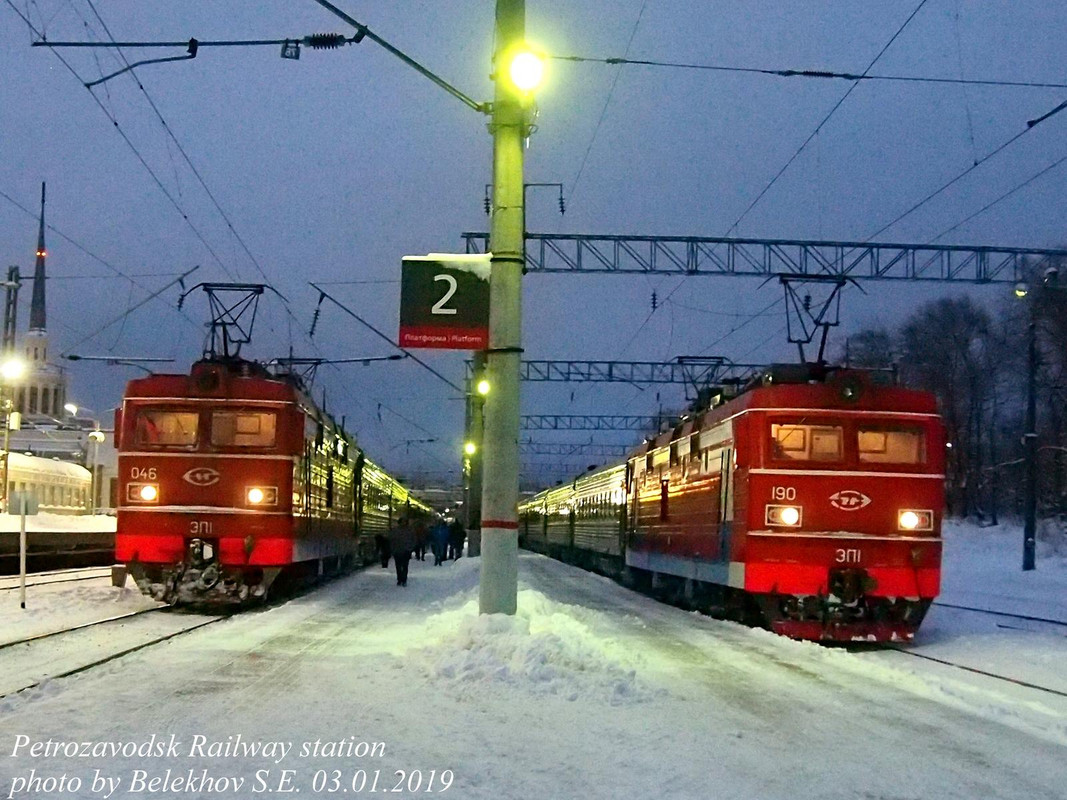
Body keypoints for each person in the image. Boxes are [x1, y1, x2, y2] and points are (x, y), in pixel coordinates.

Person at [388, 517, 416, 586]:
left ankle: (403, 579)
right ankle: (400, 579)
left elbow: (413, 540)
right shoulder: (397, 531)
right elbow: (391, 540)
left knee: (405, 566)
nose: (403, 523)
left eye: (405, 522)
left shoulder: (409, 531)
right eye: (402, 522)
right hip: (398, 550)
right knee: (398, 566)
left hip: (405, 551)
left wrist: (411, 548)